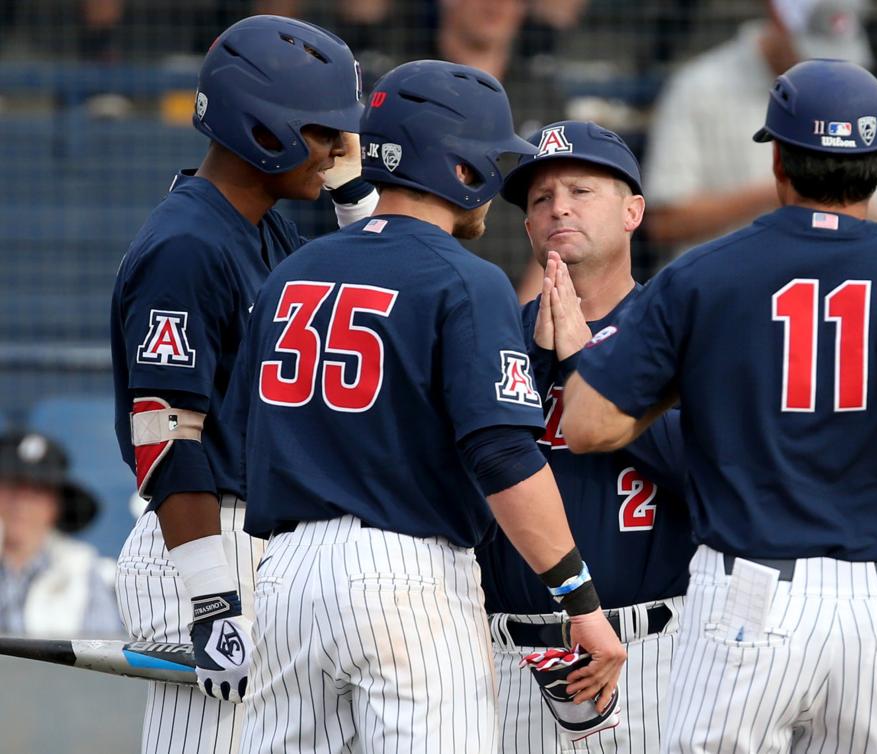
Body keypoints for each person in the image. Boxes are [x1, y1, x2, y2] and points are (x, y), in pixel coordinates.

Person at [561, 59, 877, 754]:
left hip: (751, 591)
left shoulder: (706, 271)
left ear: (779, 160)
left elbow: (586, 423)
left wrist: (686, 384)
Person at [229, 61, 626, 754]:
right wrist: (580, 602)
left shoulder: (293, 271)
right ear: (461, 168)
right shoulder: (467, 279)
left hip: (286, 576)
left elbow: (242, 434)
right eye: (492, 161)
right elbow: (502, 457)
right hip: (404, 576)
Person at [109, 16, 370, 754]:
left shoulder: (263, 227)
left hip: (261, 539)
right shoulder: (186, 246)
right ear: (262, 127)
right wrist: (212, 601)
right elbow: (165, 436)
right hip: (204, 541)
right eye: (322, 130)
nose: (337, 148)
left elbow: (380, 298)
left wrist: (354, 199)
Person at [476, 120, 693, 752]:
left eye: (580, 190)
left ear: (633, 212)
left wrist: (586, 365)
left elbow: (705, 467)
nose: (559, 208)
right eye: (541, 199)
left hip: (650, 649)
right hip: (508, 653)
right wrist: (542, 364)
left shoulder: (679, 328)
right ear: (527, 227)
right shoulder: (495, 336)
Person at [640, 0, 877, 258]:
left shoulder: (855, 89)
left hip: (831, 275)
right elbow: (664, 221)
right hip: (723, 279)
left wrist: (806, 195)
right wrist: (785, 191)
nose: (826, 66)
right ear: (777, 16)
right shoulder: (698, 87)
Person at [0, 430, 122, 638]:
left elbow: (99, 651)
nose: (21, 503)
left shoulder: (83, 573)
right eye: (12, 487)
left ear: (55, 506)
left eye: (37, 491)